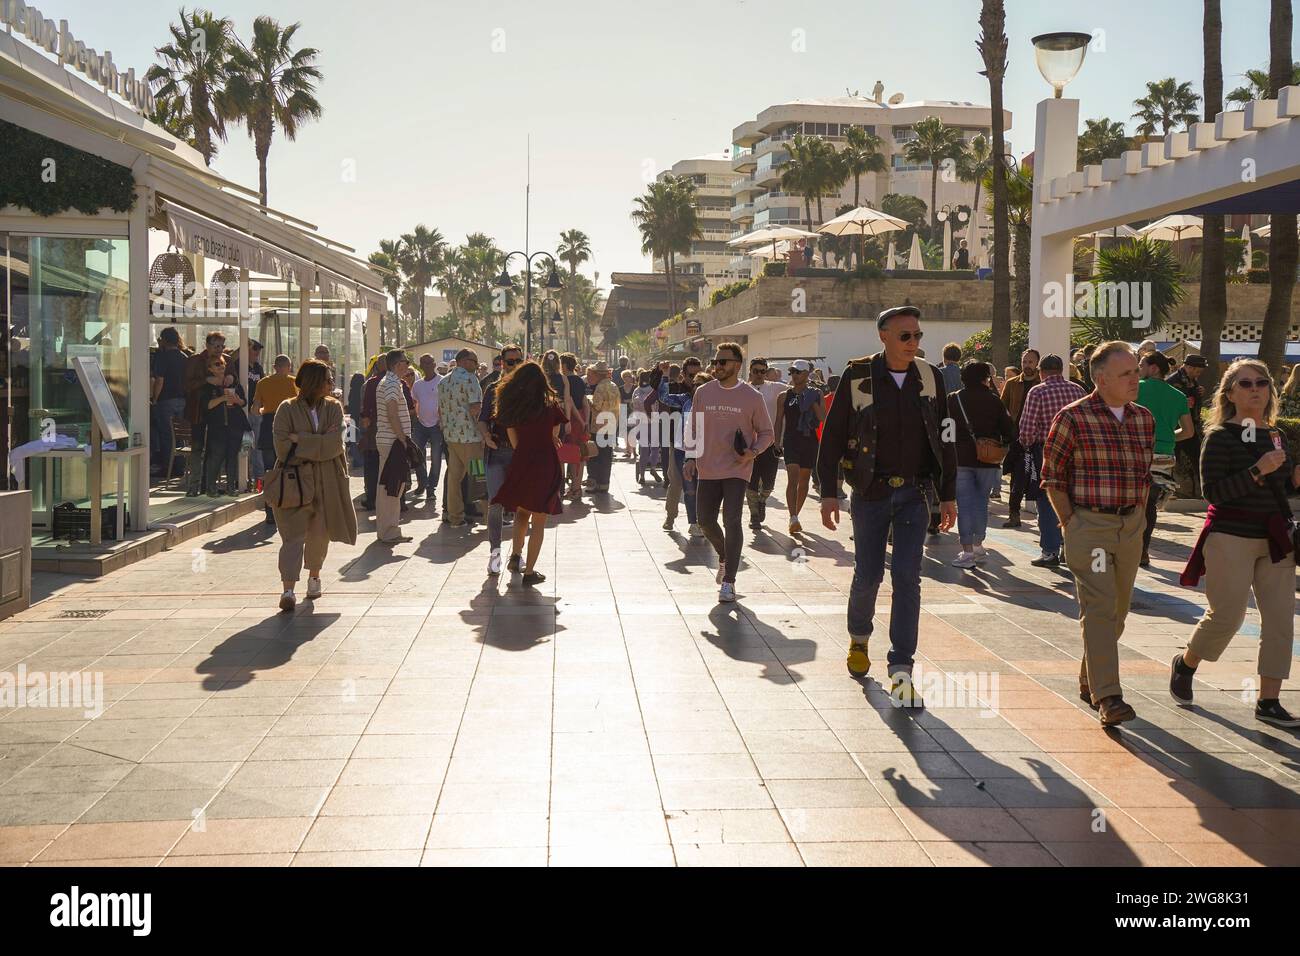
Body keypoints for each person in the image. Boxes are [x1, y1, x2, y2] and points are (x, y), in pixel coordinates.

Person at [817, 306, 956, 705]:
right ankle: (859, 638)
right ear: (883, 336)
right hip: (870, 492)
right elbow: (833, 434)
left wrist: (947, 494)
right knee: (869, 574)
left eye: (917, 335)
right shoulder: (858, 377)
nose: (915, 343)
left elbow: (946, 437)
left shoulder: (930, 378)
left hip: (914, 494)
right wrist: (829, 491)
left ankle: (901, 669)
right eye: (905, 336)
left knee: (908, 579)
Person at [1174, 359, 1300, 727]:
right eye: (1245, 384)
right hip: (1231, 535)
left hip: (1275, 537)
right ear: (1229, 393)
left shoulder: (1276, 435)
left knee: (1280, 620)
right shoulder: (1220, 437)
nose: (1256, 389)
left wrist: (1292, 478)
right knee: (1227, 616)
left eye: (1262, 383)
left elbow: (1284, 488)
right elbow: (1214, 493)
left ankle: (1269, 701)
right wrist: (1258, 469)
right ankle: (1186, 662)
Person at [1040, 341, 1154, 727]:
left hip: (1130, 526)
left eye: (1136, 371)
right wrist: (1070, 522)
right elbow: (1052, 477)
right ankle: (1110, 697)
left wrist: (1138, 515)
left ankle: (1091, 678)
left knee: (1117, 613)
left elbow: (1144, 472)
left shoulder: (1143, 419)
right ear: (1101, 379)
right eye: (1127, 373)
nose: (1136, 378)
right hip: (1091, 528)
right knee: (1101, 607)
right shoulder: (1072, 417)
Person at [683, 341, 774, 603]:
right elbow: (694, 427)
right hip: (707, 466)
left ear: (737, 364)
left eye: (722, 362)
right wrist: (690, 456)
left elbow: (767, 433)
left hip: (738, 468)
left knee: (732, 520)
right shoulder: (703, 392)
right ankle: (725, 556)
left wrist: (753, 451)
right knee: (705, 521)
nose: (716, 366)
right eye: (715, 362)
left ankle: (729, 581)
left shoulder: (752, 397)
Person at [271, 359, 357, 612]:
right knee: (292, 536)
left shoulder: (334, 407)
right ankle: (288, 589)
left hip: (327, 481)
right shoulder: (286, 409)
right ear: (313, 383)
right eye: (328, 380)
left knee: (320, 534)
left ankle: (314, 577)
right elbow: (283, 446)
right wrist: (319, 441)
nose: (332, 384)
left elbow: (336, 444)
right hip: (294, 482)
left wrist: (303, 440)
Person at [490, 360, 568, 586]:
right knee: (539, 519)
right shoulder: (550, 404)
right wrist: (549, 437)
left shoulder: (514, 407)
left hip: (522, 462)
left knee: (522, 512)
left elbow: (515, 443)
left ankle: (516, 556)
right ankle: (530, 571)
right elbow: (556, 430)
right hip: (545, 463)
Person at [1017, 354, 1087, 567]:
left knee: (1047, 501)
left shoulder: (1037, 391)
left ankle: (1050, 551)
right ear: (1061, 370)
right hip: (1077, 455)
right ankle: (1070, 547)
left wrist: (1026, 444)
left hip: (1047, 453)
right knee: (1074, 501)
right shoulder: (1078, 390)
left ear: (1042, 371)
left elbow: (1027, 428)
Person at [948, 361, 1016, 568]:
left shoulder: (953, 399)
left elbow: (944, 429)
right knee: (980, 503)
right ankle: (978, 544)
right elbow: (1011, 432)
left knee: (965, 504)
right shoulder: (994, 401)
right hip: (988, 461)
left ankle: (967, 550)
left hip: (961, 459)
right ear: (985, 378)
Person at [1136, 350, 1194, 566]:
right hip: (1165, 455)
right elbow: (1188, 432)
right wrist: (1167, 439)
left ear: (1154, 368)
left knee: (1133, 502)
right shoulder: (1178, 396)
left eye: (1141, 364)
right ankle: (1144, 550)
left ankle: (1130, 548)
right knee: (1150, 504)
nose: (1138, 368)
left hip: (1138, 452)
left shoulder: (1137, 388)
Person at [479, 344, 524, 575]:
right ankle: (495, 552)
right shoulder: (493, 389)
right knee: (495, 504)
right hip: (497, 453)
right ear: (502, 363)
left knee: (520, 507)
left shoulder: (528, 390)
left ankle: (517, 554)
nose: (514, 365)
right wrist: (486, 436)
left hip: (520, 456)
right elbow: (482, 418)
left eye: (518, 361)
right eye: (510, 361)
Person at [773, 359, 826, 535]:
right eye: (792, 372)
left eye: (798, 372)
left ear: (806, 374)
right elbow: (779, 420)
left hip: (809, 440)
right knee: (793, 478)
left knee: (804, 480)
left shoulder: (816, 393)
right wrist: (776, 441)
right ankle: (793, 516)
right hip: (791, 440)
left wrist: (811, 401)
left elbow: (821, 418)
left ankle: (797, 515)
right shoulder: (784, 396)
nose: (794, 375)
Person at [652, 363, 705, 537]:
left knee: (700, 489)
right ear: (684, 375)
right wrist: (665, 376)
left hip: (704, 451)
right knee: (678, 484)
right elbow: (663, 397)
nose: (695, 382)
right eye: (692, 377)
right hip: (681, 448)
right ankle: (672, 517)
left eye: (699, 377)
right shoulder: (685, 398)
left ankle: (698, 521)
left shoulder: (712, 400)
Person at [437, 348, 484, 527]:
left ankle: (455, 517)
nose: (477, 365)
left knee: (454, 479)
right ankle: (490, 517)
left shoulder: (443, 381)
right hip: (470, 438)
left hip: (451, 437)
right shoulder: (470, 379)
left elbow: (440, 410)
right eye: (474, 361)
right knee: (479, 476)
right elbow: (475, 409)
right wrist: (484, 433)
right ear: (464, 361)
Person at [253, 355, 298, 524]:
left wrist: (265, 410)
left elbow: (255, 409)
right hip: (287, 427)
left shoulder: (263, 383)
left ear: (274, 366)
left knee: (269, 471)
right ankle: (286, 507)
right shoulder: (294, 383)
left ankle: (270, 510)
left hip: (268, 426)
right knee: (288, 468)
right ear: (289, 366)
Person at [184, 331, 230, 496]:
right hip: (198, 409)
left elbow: (233, 380)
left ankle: (208, 485)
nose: (219, 349)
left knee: (214, 449)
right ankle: (194, 486)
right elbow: (187, 384)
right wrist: (206, 380)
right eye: (216, 345)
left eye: (222, 346)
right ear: (208, 345)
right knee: (197, 448)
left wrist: (231, 378)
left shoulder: (226, 360)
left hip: (217, 413)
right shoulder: (195, 360)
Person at [375, 349, 414, 543]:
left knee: (391, 487)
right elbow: (392, 414)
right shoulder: (391, 383)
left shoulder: (390, 382)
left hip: (390, 440)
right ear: (398, 365)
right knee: (391, 488)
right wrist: (402, 439)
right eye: (406, 362)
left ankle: (390, 530)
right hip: (392, 441)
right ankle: (388, 531)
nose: (408, 365)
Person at [1000, 348, 1041, 528]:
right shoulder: (1012, 383)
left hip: (1038, 438)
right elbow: (1003, 407)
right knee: (1016, 477)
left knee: (1038, 476)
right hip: (1017, 437)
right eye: (1025, 361)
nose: (1027, 365)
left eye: (1031, 362)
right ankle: (1014, 513)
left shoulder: (1042, 383)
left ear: (1037, 363)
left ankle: (1042, 516)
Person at [198, 354, 249, 497]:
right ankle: (211, 488)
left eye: (222, 364)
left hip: (235, 425)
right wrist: (222, 398)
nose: (221, 367)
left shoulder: (233, 383)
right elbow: (207, 405)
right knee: (216, 457)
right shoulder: (208, 387)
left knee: (232, 456)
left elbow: (244, 402)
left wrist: (237, 400)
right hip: (217, 426)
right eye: (216, 364)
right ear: (210, 369)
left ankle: (231, 487)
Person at [745, 357, 786, 532]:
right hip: (748, 444)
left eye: (763, 371)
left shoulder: (776, 388)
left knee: (769, 482)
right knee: (751, 481)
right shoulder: (742, 389)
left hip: (770, 443)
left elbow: (797, 390)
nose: (760, 374)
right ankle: (754, 515)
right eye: (756, 371)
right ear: (750, 372)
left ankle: (762, 501)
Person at [1167, 353, 1208, 497]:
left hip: (1191, 426)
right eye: (1197, 370)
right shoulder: (1173, 381)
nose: (1199, 373)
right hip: (1176, 427)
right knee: (1172, 459)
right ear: (1188, 366)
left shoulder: (1193, 381)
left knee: (1198, 458)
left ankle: (1204, 491)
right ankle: (1168, 490)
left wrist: (1199, 394)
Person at [149, 327, 188, 479]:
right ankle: (179, 466)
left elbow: (159, 380)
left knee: (166, 435)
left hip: (166, 400)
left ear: (163, 340)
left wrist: (155, 398)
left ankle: (169, 467)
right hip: (182, 399)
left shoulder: (163, 357)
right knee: (179, 435)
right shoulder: (184, 357)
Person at [410, 353, 443, 509]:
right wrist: (416, 417)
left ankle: (431, 489)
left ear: (434, 364)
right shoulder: (417, 385)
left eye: (430, 362)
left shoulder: (442, 382)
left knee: (436, 459)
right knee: (416, 456)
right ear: (421, 366)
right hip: (421, 425)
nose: (427, 365)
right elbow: (415, 401)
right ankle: (423, 482)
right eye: (424, 363)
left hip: (437, 426)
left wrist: (442, 421)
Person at [587, 361, 621, 493]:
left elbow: (597, 406)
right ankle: (604, 484)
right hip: (611, 426)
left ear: (597, 374)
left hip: (598, 426)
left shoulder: (599, 388)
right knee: (606, 456)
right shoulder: (614, 386)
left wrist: (589, 400)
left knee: (595, 455)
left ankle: (593, 483)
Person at [359, 354, 387, 511]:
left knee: (372, 467)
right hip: (389, 432)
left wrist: (366, 427)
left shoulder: (369, 384)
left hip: (374, 431)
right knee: (389, 465)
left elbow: (364, 410)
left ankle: (371, 498)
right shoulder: (398, 383)